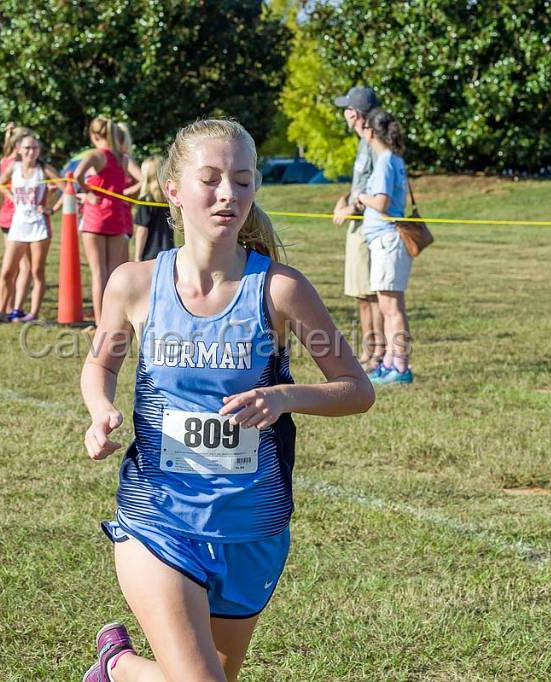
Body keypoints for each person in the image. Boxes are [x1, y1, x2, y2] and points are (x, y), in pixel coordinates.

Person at [80, 119, 375, 682]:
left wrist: (284, 396)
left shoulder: (280, 290)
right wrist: (101, 410)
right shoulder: (134, 284)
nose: (227, 195)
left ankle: (117, 669)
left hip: (252, 529)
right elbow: (101, 364)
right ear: (172, 188)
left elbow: (356, 390)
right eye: (211, 179)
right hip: (158, 516)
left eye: (242, 181)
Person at [355, 108, 414, 385]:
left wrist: (361, 197)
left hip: (387, 240)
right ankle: (390, 361)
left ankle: (400, 367)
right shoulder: (394, 159)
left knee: (391, 309)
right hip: (386, 241)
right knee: (390, 307)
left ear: (370, 132)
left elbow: (381, 202)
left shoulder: (385, 161)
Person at [332, 86, 386, 373]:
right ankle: (368, 351)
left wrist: (350, 209)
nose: (343, 113)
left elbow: (378, 192)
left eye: (346, 108)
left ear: (355, 113)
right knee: (360, 295)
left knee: (370, 295)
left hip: (368, 226)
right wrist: (344, 200)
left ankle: (378, 353)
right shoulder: (362, 143)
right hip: (357, 226)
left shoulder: (375, 143)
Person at [0, 131, 58, 324]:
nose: (31, 152)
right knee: (7, 271)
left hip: (39, 226)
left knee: (36, 271)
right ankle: (0, 310)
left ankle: (33, 313)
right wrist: (11, 197)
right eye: (27, 148)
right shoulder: (14, 168)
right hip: (18, 225)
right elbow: (0, 183)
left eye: (35, 148)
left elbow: (66, 187)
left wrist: (51, 208)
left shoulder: (44, 169)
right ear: (19, 150)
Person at [73, 116, 142, 323]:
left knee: (98, 273)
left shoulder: (95, 155)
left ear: (94, 135)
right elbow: (143, 180)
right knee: (114, 273)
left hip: (95, 218)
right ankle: (115, 320)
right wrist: (126, 194)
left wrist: (88, 191)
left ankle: (99, 322)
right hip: (117, 217)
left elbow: (76, 175)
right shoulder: (123, 158)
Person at [0, 124, 33, 320]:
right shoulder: (21, 165)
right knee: (25, 266)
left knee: (10, 266)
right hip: (20, 217)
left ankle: (8, 305)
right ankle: (16, 308)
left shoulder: (5, 160)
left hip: (6, 217)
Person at [131, 156, 174, 261]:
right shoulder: (169, 200)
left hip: (150, 255)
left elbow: (142, 230)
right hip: (169, 252)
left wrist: (137, 257)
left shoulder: (145, 201)